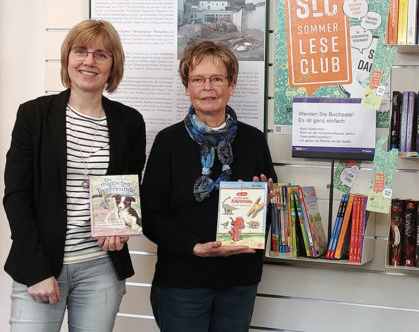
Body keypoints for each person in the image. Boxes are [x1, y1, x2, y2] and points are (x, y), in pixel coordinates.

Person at [3, 19, 146, 331]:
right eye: (80, 51)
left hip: (102, 268)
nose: (89, 61)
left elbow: (128, 193)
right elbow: (16, 196)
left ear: (113, 66)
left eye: (101, 55)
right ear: (67, 58)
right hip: (41, 265)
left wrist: (121, 229)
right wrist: (36, 269)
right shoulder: (34, 115)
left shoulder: (129, 122)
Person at [141, 40, 277, 332]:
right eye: (198, 79)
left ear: (232, 85)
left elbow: (269, 208)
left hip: (238, 282)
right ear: (187, 87)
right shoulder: (168, 142)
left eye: (217, 79)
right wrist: (194, 247)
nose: (208, 87)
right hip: (182, 282)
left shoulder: (253, 141)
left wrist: (265, 199)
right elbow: (150, 216)